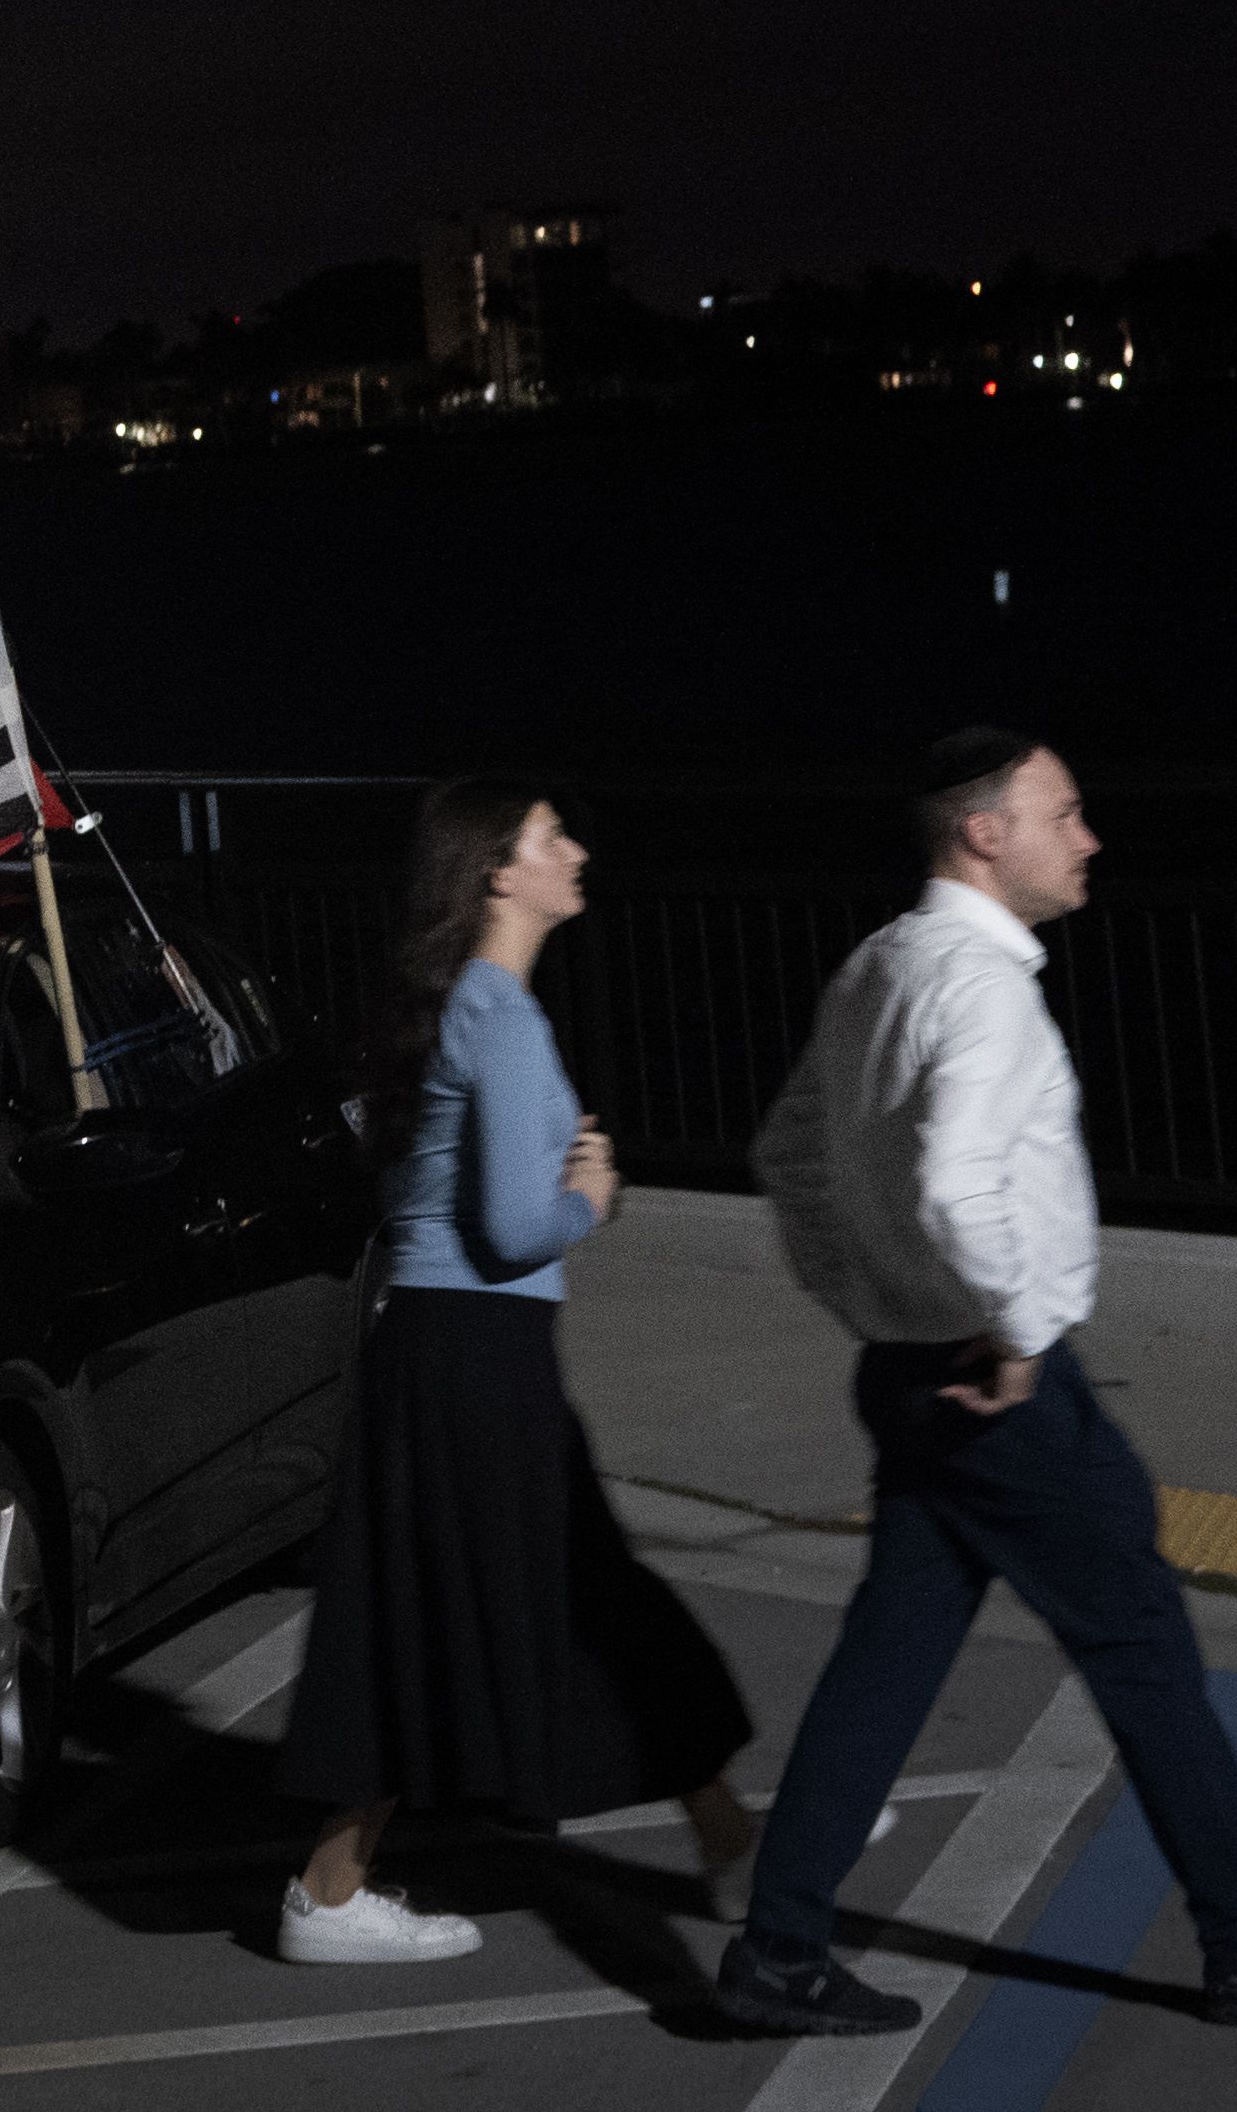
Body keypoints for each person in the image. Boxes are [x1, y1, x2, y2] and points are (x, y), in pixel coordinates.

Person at [703, 730, 1237, 2039]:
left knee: (887, 1657)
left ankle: (780, 1950)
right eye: (1063, 812)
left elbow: (789, 1155)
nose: (1085, 838)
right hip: (1001, 1395)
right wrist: (1015, 1326)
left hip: (911, 1375)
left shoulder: (878, 964)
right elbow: (946, 1185)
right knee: (1141, 1648)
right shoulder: (980, 990)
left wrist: (869, 1302)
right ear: (984, 832)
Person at [272, 783, 761, 1969]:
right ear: (499, 871)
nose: (577, 849)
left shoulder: (466, 1006)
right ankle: (327, 1890)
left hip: (452, 1348)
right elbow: (504, 1226)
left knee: (576, 1587)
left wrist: (558, 1168)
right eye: (552, 836)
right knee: (448, 1607)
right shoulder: (501, 1014)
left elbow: (428, 1196)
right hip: (474, 1351)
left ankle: (730, 1832)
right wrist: (588, 1197)